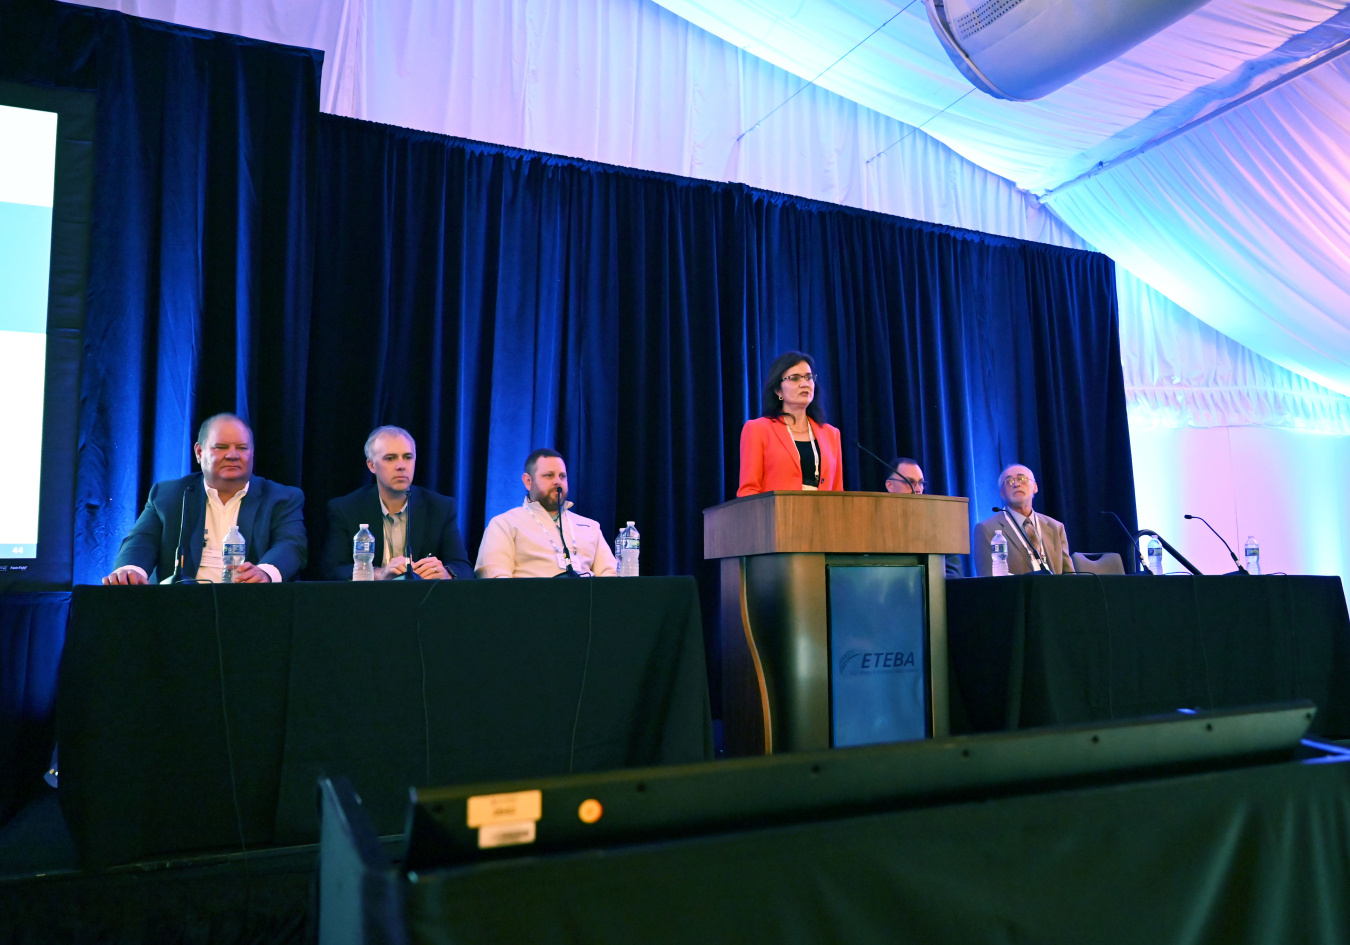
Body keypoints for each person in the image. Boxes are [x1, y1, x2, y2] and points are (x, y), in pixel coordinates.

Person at [102, 414, 307, 584]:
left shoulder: (282, 498)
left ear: (252, 453)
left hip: (251, 606)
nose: (233, 455)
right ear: (199, 452)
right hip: (181, 607)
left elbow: (291, 544)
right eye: (221, 447)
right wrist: (131, 570)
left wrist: (266, 573)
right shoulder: (169, 495)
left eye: (242, 448)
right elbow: (142, 540)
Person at [319, 425, 473, 580]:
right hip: (367, 600)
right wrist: (378, 574)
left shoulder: (440, 507)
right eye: (390, 458)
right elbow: (333, 570)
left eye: (408, 457)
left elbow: (464, 568)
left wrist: (446, 573)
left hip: (424, 600)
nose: (401, 466)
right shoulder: (346, 508)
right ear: (371, 465)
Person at [475, 448, 617, 578]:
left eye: (562, 476)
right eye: (549, 476)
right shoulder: (504, 524)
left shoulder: (590, 527)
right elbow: (495, 580)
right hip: (531, 603)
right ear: (528, 481)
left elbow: (610, 578)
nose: (557, 481)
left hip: (586, 603)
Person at [737, 351, 844, 496]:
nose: (805, 384)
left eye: (809, 377)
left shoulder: (831, 434)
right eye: (794, 379)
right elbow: (749, 491)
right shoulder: (758, 429)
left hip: (823, 516)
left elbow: (838, 492)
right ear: (778, 390)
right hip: (777, 516)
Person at [972, 464, 1075, 576]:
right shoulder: (987, 529)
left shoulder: (1055, 527)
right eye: (1009, 481)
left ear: (1035, 487)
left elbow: (1069, 576)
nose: (1016, 484)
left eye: (1022, 479)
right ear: (1002, 494)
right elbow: (986, 580)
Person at [885, 456, 964, 578]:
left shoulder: (937, 525)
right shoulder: (879, 525)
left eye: (921, 483)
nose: (917, 489)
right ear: (890, 486)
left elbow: (954, 574)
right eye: (910, 482)